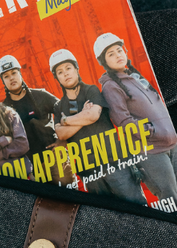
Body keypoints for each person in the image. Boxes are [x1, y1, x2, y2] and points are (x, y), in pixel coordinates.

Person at [94, 33, 177, 221]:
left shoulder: (134, 77)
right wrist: (152, 131)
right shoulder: (110, 86)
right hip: (150, 150)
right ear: (104, 61)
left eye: (119, 50)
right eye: (110, 54)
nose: (118, 55)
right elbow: (122, 121)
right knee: (171, 202)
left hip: (172, 144)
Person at [50, 48, 146, 203]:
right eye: (60, 72)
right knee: (104, 215)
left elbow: (93, 115)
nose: (66, 74)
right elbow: (61, 134)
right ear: (57, 78)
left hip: (115, 163)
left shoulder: (91, 90)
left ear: (76, 69)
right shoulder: (59, 106)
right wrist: (83, 115)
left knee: (137, 207)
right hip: (89, 173)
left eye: (68, 68)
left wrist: (66, 120)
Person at [0, 54, 59, 155]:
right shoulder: (3, 110)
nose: (11, 78)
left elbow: (64, 109)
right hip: (29, 163)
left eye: (14, 73)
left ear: (20, 73)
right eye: (6, 76)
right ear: (3, 81)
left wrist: (61, 139)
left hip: (55, 157)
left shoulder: (40, 95)